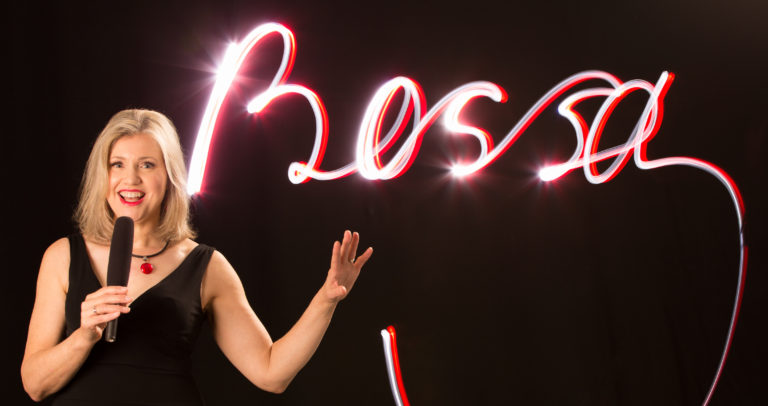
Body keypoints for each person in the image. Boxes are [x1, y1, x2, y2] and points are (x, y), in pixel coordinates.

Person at [21, 109, 373, 405]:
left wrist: (326, 300)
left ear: (170, 176)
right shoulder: (63, 256)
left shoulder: (206, 266)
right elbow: (35, 385)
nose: (130, 179)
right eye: (117, 164)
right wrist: (84, 335)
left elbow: (271, 373)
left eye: (147, 165)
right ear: (104, 174)